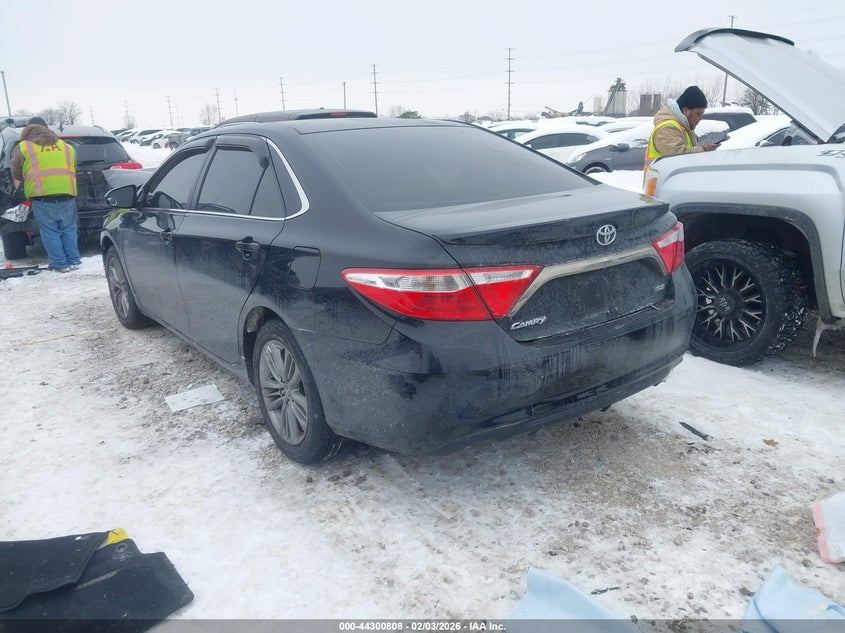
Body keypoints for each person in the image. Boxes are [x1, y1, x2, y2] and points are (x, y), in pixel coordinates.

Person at [10, 117, 82, 273]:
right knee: (69, 229)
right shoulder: (66, 147)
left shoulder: (24, 147)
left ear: (28, 130)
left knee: (50, 231)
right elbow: (73, 167)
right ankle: (74, 261)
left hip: (42, 195)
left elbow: (16, 171)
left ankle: (60, 264)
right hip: (67, 193)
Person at [644, 85, 720, 172]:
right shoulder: (667, 128)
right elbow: (677, 156)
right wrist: (704, 149)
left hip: (672, 182)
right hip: (661, 184)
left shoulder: (685, 128)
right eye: (698, 114)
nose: (701, 118)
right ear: (685, 111)